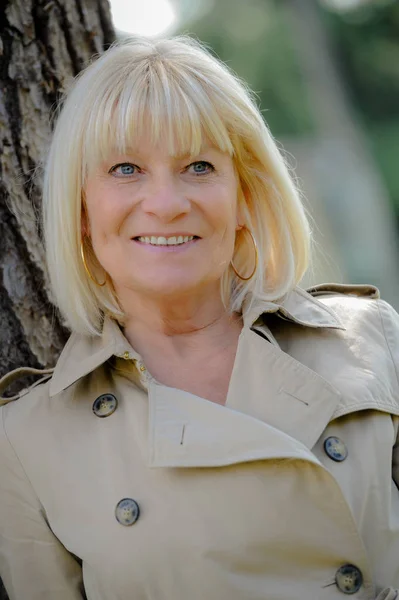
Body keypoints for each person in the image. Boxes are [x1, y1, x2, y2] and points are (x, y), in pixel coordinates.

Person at [0, 35, 398, 600]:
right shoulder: (24, 444)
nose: (165, 203)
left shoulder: (372, 338)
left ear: (244, 196)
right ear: (81, 209)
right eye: (126, 168)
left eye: (199, 165)